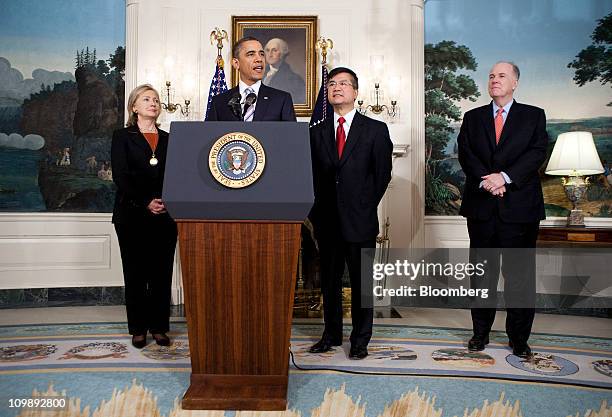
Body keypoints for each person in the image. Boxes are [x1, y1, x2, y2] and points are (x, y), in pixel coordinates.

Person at [457, 61, 548, 358]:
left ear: (515, 83)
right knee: (482, 275)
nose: (495, 80)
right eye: (491, 76)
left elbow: (536, 153)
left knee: (519, 276)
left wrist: (505, 178)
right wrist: (488, 181)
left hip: (519, 209)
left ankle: (519, 338)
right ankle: (479, 334)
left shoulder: (533, 116)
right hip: (482, 207)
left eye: (502, 76)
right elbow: (466, 153)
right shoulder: (472, 117)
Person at [308, 67, 393, 359]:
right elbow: (311, 177)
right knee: (329, 283)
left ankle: (360, 340)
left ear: (356, 92)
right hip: (327, 222)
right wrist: (315, 213)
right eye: (332, 84)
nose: (337, 88)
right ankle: (331, 335)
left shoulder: (375, 130)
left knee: (361, 285)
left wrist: (365, 206)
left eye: (343, 84)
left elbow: (382, 175)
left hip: (360, 220)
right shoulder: (316, 132)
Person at [111, 84, 178, 349]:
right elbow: (121, 176)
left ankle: (159, 327)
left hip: (165, 215)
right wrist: (146, 201)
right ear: (134, 107)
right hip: (132, 215)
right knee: (136, 273)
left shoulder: (170, 138)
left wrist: (163, 201)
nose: (153, 103)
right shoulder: (122, 136)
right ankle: (138, 328)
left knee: (161, 273)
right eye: (147, 99)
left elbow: (176, 175)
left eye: (156, 100)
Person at [206, 36, 296, 122]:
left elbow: (291, 136)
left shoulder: (281, 100)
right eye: (251, 54)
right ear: (236, 63)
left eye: (261, 54)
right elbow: (211, 136)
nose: (259, 59)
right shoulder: (219, 102)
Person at [263, 37, 306, 104]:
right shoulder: (259, 74)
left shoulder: (294, 80)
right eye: (267, 50)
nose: (270, 54)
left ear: (283, 53)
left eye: (274, 50)